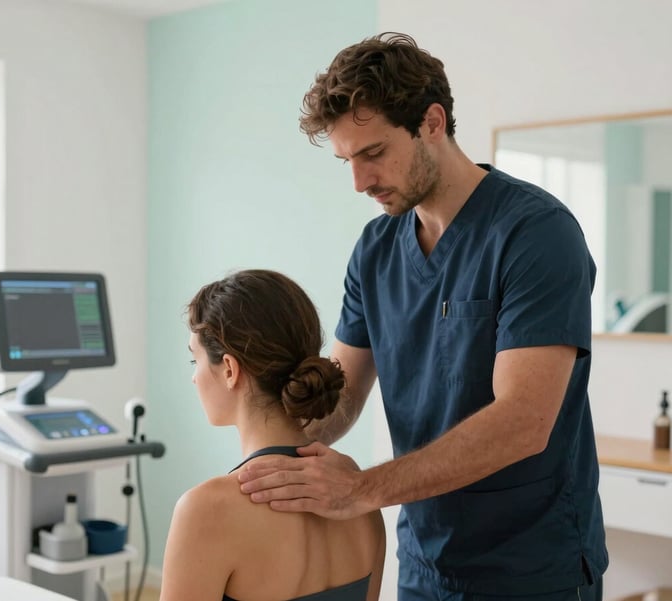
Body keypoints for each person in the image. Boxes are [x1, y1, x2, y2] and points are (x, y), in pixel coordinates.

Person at [237, 33, 609, 600]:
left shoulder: (536, 233)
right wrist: (265, 436)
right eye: (346, 161)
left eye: (374, 153)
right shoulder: (376, 249)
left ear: (432, 121)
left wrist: (360, 489)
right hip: (424, 564)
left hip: (533, 571)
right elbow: (338, 399)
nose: (359, 182)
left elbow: (525, 423)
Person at [159, 269, 386, 601]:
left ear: (229, 369)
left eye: (195, 360)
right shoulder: (356, 491)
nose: (194, 378)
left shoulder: (206, 510)